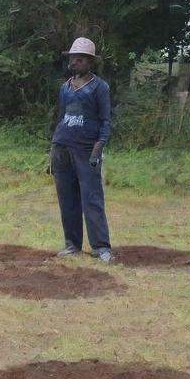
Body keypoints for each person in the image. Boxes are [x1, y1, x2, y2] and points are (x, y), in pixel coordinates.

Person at [50, 37, 113, 263]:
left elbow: (105, 121)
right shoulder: (65, 88)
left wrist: (98, 148)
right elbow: (61, 117)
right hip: (62, 147)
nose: (74, 63)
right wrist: (53, 148)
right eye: (72, 59)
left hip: (87, 150)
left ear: (89, 62)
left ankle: (101, 247)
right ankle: (72, 244)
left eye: (79, 59)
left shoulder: (99, 87)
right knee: (67, 198)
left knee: (92, 198)